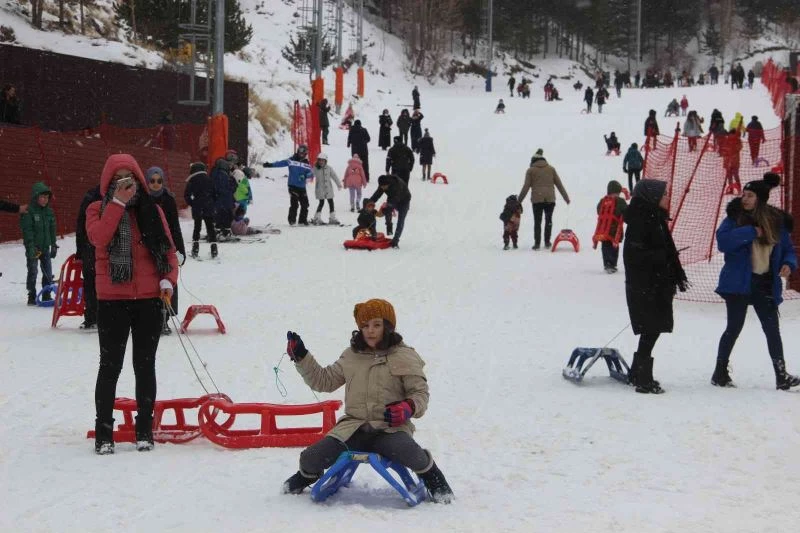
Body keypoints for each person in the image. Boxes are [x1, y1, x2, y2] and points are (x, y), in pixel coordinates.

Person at [281, 299, 454, 503]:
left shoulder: (405, 355)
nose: (370, 331)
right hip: (354, 429)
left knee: (411, 454)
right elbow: (323, 381)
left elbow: (420, 393)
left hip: (389, 429)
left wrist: (409, 407)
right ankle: (307, 475)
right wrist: (301, 356)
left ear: (387, 327)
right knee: (311, 457)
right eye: (365, 325)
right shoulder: (352, 355)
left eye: (376, 325)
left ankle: (432, 476)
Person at [86, 154, 179, 454]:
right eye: (118, 178)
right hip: (113, 299)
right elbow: (99, 238)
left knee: (145, 364)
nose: (125, 183)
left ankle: (144, 430)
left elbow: (168, 250)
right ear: (109, 182)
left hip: (149, 299)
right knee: (109, 366)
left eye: (130, 177)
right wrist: (116, 204)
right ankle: (104, 432)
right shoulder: (96, 209)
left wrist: (169, 279)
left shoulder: (152, 210)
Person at [713, 173, 799, 389]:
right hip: (739, 282)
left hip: (765, 282)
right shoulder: (734, 218)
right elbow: (723, 242)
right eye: (744, 194)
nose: (745, 198)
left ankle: (781, 376)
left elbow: (788, 249)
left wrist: (788, 263)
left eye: (750, 195)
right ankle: (720, 372)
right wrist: (751, 231)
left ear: (760, 198)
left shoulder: (775, 221)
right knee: (734, 327)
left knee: (772, 329)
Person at [623, 179, 688, 394]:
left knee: (653, 328)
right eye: (664, 194)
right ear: (652, 197)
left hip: (656, 282)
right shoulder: (642, 221)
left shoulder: (655, 218)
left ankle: (637, 372)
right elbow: (634, 255)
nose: (667, 197)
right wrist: (663, 257)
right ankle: (642, 377)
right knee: (651, 328)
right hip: (646, 284)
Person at [145, 166, 185, 332]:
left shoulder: (168, 199)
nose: (156, 184)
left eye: (159, 181)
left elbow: (175, 226)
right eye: (152, 181)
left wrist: (180, 249)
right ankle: (151, 318)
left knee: (167, 280)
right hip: (147, 245)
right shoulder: (143, 199)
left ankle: (165, 319)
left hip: (166, 246)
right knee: (151, 282)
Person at [517, 149, 570, 250]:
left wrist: (519, 201)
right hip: (550, 199)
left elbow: (526, 187)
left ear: (533, 160)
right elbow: (559, 184)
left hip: (537, 200)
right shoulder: (551, 169)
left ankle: (537, 243)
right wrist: (566, 198)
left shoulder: (530, 170)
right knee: (548, 220)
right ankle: (547, 242)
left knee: (537, 221)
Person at [20, 182, 57, 306]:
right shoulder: (29, 211)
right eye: (42, 197)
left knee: (47, 270)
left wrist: (54, 244)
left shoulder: (49, 212)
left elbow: (52, 229)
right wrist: (30, 247)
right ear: (36, 197)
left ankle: (46, 293)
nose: (45, 200)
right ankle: (32, 294)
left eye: (47, 198)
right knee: (33, 270)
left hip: (45, 247)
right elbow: (27, 230)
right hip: (33, 247)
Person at [264, 145, 314, 226]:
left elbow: (311, 174)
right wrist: (270, 165)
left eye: (303, 152)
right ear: (298, 151)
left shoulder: (306, 163)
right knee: (294, 203)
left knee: (305, 204)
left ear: (305, 153)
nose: (301, 153)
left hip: (302, 187)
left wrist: (305, 176)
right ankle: (292, 220)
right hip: (292, 185)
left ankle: (302, 221)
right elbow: (281, 163)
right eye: (300, 151)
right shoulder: (292, 160)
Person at [76, 185, 103, 328]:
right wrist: (80, 250)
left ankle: (96, 316)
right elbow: (81, 223)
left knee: (94, 281)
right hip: (91, 246)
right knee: (92, 281)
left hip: (98, 246)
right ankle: (93, 317)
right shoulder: (91, 197)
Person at [184, 161, 217, 259]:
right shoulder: (209, 179)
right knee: (210, 228)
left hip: (197, 206)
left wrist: (193, 203)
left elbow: (186, 195)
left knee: (197, 228)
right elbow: (215, 194)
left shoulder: (192, 180)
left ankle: (195, 249)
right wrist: (211, 203)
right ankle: (214, 249)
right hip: (208, 206)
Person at [369, 174, 411, 248]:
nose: (382, 188)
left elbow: (395, 198)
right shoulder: (383, 183)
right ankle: (389, 226)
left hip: (404, 201)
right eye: (381, 186)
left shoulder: (397, 185)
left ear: (387, 184)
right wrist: (370, 202)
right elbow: (377, 194)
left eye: (384, 187)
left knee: (400, 220)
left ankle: (395, 240)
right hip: (392, 198)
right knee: (387, 210)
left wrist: (388, 205)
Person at [595, 180, 627, 273]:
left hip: (603, 229)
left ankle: (607, 263)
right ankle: (612, 264)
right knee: (614, 246)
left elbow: (598, 210)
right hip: (614, 229)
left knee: (605, 245)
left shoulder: (603, 200)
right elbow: (625, 211)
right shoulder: (620, 201)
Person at [311, 153, 342, 225]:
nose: (321, 162)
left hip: (328, 189)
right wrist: (306, 178)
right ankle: (317, 218)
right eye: (320, 160)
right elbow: (310, 174)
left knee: (331, 202)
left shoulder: (329, 168)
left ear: (325, 161)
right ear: (318, 161)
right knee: (321, 202)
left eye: (323, 161)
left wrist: (338, 184)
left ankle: (332, 218)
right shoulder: (315, 168)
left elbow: (334, 176)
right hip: (320, 189)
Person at [211, 153, 236, 240]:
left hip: (221, 200)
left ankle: (222, 232)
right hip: (223, 200)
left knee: (223, 216)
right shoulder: (222, 174)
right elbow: (226, 187)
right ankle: (222, 232)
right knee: (225, 216)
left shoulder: (218, 173)